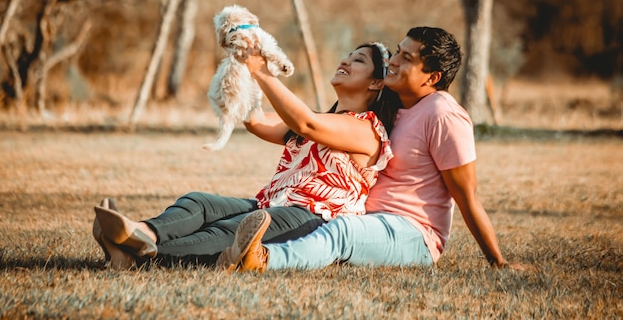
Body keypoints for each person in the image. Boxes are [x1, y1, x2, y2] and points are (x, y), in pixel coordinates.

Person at [219, 26, 529, 273]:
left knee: (343, 231)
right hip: (368, 218)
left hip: (413, 233)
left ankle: (263, 260)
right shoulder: (393, 109)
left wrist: (498, 261)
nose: (393, 61)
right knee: (333, 224)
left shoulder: (443, 114)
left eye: (407, 59)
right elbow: (300, 125)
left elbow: (467, 196)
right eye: (398, 51)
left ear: (433, 77)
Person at [92, 41, 402, 269]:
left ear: (376, 82)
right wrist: (242, 67)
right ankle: (140, 233)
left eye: (358, 60)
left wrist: (264, 73)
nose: (345, 61)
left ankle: (141, 259)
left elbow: (306, 123)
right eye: (347, 55)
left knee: (229, 231)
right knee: (200, 203)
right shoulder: (324, 121)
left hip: (311, 218)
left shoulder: (367, 130)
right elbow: (255, 121)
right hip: (274, 203)